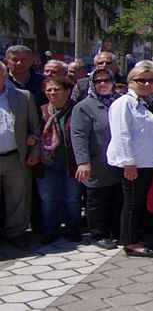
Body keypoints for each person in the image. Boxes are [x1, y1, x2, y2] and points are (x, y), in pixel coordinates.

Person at [107, 65, 153, 258]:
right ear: (131, 82)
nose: (147, 84)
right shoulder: (124, 103)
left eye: (151, 80)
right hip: (133, 163)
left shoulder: (148, 103)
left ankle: (136, 236)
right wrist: (128, 162)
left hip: (147, 161)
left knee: (139, 203)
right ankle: (130, 243)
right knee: (131, 204)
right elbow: (121, 134)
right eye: (142, 80)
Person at [71, 68, 123, 250]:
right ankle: (98, 234)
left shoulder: (119, 102)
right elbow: (78, 136)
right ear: (92, 84)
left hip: (118, 165)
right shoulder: (84, 107)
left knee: (118, 200)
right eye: (98, 81)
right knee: (97, 202)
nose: (103, 84)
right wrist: (83, 162)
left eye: (107, 80)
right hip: (97, 164)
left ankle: (118, 232)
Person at [37, 77, 83, 244]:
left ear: (68, 91)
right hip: (47, 163)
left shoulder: (77, 110)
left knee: (72, 198)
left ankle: (73, 229)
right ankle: (51, 230)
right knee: (48, 198)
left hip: (71, 161)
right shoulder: (41, 111)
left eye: (56, 89)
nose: (52, 93)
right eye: (48, 90)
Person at [0, 61, 40, 248]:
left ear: (5, 76)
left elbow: (35, 128)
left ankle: (16, 231)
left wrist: (34, 150)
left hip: (16, 156)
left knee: (18, 198)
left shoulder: (23, 97)